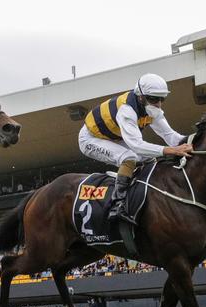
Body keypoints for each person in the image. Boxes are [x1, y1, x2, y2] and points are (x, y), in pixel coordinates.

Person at [78, 73, 193, 224]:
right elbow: (137, 145)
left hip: (114, 137)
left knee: (149, 159)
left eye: (161, 99)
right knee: (129, 158)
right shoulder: (127, 110)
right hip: (91, 138)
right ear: (140, 97)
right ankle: (117, 205)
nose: (158, 104)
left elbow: (171, 136)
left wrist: (195, 141)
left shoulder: (151, 109)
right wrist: (170, 150)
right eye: (153, 99)